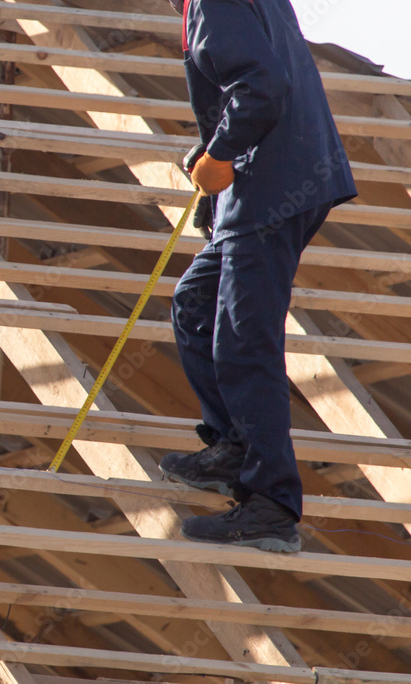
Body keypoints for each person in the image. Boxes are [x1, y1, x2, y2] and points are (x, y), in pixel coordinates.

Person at [160, 0, 357, 552]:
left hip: (271, 190)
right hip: (274, 182)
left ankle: (269, 503)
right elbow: (262, 85)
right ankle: (236, 447)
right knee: (198, 306)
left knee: (244, 339)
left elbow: (261, 87)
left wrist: (222, 156)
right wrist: (215, 156)